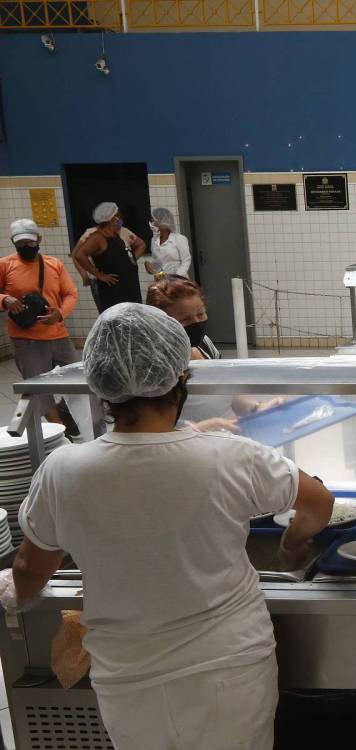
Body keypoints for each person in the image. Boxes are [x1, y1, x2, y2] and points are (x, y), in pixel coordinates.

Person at [0, 303, 334, 750]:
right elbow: (320, 503)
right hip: (229, 667)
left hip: (128, 676)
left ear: (100, 384)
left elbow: (29, 568)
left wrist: (13, 592)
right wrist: (293, 543)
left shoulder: (63, 469)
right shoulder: (230, 456)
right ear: (183, 377)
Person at [145, 275, 282, 431]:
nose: (196, 323)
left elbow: (224, 393)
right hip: (190, 447)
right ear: (161, 323)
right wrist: (206, 427)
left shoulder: (204, 344)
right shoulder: (155, 365)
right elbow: (153, 432)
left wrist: (256, 408)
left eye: (201, 314)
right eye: (185, 320)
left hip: (227, 439)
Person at [1, 219, 81, 437]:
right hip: (27, 340)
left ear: (39, 239)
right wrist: (5, 299)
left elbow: (70, 294)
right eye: (21, 244)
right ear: (13, 243)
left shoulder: (54, 264)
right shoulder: (6, 265)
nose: (26, 247)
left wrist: (60, 314)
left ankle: (63, 408)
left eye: (30, 242)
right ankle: (61, 434)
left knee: (80, 378)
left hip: (58, 336)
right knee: (39, 390)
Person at [71, 202, 145, 313]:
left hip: (129, 288)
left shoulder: (115, 235)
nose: (120, 219)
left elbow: (135, 249)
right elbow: (79, 255)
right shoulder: (98, 237)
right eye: (118, 216)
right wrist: (99, 275)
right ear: (111, 219)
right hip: (115, 293)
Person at [145, 208, 191, 279]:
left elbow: (186, 261)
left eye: (153, 220)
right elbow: (158, 264)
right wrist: (149, 265)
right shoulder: (154, 240)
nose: (151, 223)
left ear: (162, 221)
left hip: (179, 281)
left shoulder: (179, 239)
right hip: (162, 281)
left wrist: (176, 277)